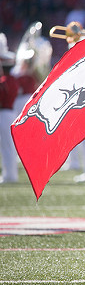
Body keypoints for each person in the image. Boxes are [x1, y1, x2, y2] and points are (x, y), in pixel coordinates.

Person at [0, 33, 19, 183]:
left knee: (6, 147)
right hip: (10, 113)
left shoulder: (5, 81)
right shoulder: (11, 79)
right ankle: (9, 174)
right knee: (7, 147)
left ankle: (10, 175)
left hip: (5, 113)